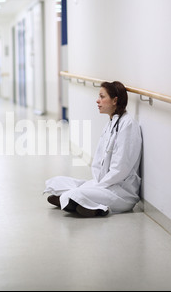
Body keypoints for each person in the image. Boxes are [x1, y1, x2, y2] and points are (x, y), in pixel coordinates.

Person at [43, 81, 142, 217]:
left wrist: (98, 185)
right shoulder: (111, 123)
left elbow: (121, 169)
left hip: (120, 192)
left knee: (77, 192)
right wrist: (96, 182)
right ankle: (79, 202)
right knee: (57, 181)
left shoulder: (128, 125)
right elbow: (97, 161)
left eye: (102, 97)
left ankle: (86, 204)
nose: (97, 101)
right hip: (104, 184)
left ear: (115, 100)